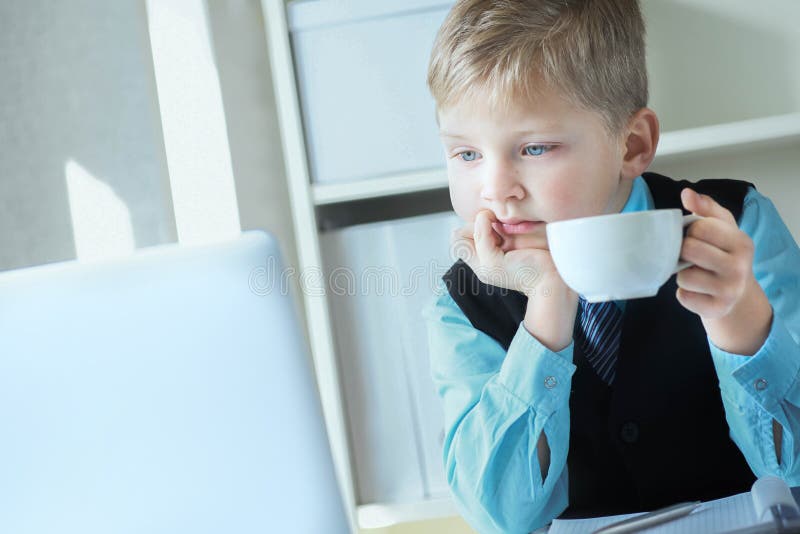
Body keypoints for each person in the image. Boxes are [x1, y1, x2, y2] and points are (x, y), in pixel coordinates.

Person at [422, 1, 800, 532]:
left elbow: (797, 471)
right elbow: (500, 517)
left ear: (632, 144)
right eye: (465, 155)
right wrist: (547, 309)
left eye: (534, 148)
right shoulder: (461, 305)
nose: (495, 188)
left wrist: (741, 321)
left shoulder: (737, 228)